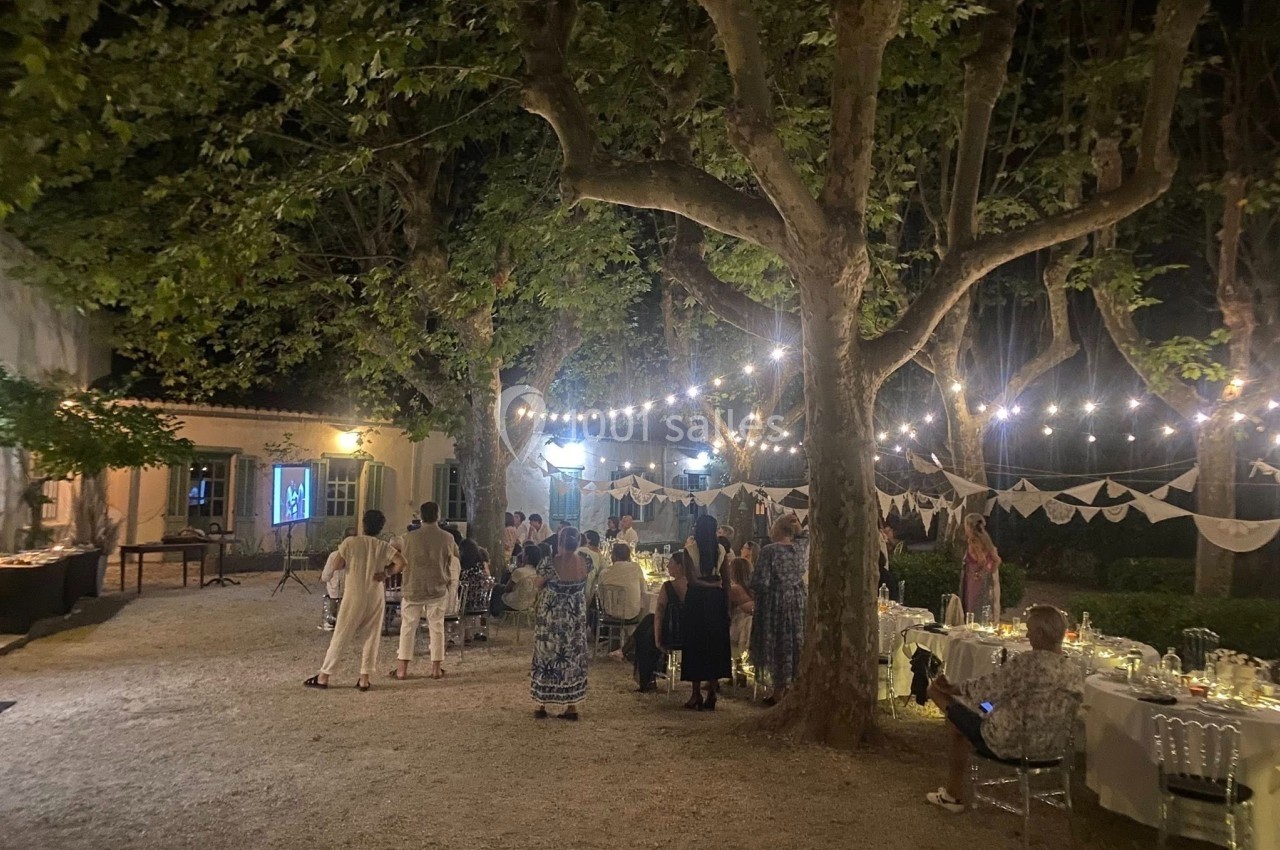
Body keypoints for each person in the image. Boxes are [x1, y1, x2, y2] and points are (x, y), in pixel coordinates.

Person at [925, 605, 1084, 813]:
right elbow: (995, 696)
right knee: (977, 709)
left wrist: (950, 687)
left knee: (937, 695)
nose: (1027, 635)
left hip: (1008, 741)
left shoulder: (1026, 664)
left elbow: (984, 688)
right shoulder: (1073, 671)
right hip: (1053, 748)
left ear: (1040, 633)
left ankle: (952, 796)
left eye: (1029, 630)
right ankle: (952, 789)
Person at [305, 510, 406, 692]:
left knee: (342, 634)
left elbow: (336, 564)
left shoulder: (350, 543)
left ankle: (324, 675)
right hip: (375, 593)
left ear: (363, 524)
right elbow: (401, 562)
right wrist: (386, 573)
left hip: (354, 593)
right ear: (381, 528)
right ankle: (364, 678)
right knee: (372, 636)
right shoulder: (382, 546)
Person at [390, 502, 458, 681]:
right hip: (437, 587)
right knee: (436, 627)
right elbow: (454, 556)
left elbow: (392, 543)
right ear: (438, 515)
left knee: (407, 627)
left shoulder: (408, 538)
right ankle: (436, 668)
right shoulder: (448, 538)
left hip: (413, 586)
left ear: (420, 516)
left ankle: (402, 669)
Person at [530, 526, 590, 720]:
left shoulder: (550, 563)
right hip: (574, 619)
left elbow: (538, 584)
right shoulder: (585, 563)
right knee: (572, 658)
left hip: (552, 619)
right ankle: (572, 706)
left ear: (559, 542)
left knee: (547, 655)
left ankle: (541, 704)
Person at [749, 514, 806, 705]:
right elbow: (804, 537)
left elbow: (761, 581)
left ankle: (778, 690)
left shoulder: (769, 551)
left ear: (777, 529)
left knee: (777, 643)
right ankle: (790, 687)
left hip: (775, 602)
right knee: (792, 644)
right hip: (796, 602)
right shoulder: (799, 549)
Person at [680, 514, 731, 710]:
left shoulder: (690, 550)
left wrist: (705, 584)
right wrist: (725, 605)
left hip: (696, 600)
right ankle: (712, 692)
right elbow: (726, 581)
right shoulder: (721, 550)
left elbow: (692, 580)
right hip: (716, 601)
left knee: (695, 644)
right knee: (714, 645)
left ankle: (695, 693)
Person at [631, 550, 688, 692]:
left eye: (671, 563)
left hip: (673, 634)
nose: (668, 566)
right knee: (649, 620)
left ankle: (645, 676)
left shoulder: (669, 586)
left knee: (648, 633)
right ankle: (627, 648)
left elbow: (660, 612)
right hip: (689, 631)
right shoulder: (695, 585)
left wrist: (658, 640)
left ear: (680, 566)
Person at [960, 514, 1001, 618]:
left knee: (972, 608)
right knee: (985, 607)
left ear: (969, 526)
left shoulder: (973, 541)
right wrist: (989, 573)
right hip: (985, 580)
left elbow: (982, 560)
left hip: (973, 580)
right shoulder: (986, 539)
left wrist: (979, 573)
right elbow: (997, 560)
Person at [597, 543, 645, 622]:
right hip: (632, 613)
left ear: (614, 556)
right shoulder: (635, 568)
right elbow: (643, 590)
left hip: (610, 613)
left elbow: (600, 595)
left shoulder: (604, 573)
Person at [319, 527, 356, 630]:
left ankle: (330, 620)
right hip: (354, 591)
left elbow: (326, 576)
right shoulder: (360, 556)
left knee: (330, 590)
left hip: (337, 591)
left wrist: (324, 578)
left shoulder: (334, 555)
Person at [726, 557, 755, 668]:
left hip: (739, 625)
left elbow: (727, 609)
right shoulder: (752, 589)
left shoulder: (734, 589)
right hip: (750, 624)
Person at [501, 543, 542, 612]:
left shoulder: (519, 571)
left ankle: (494, 614)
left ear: (527, 557)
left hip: (516, 603)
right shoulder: (538, 574)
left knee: (497, 588)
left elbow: (507, 589)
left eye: (523, 553)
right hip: (530, 603)